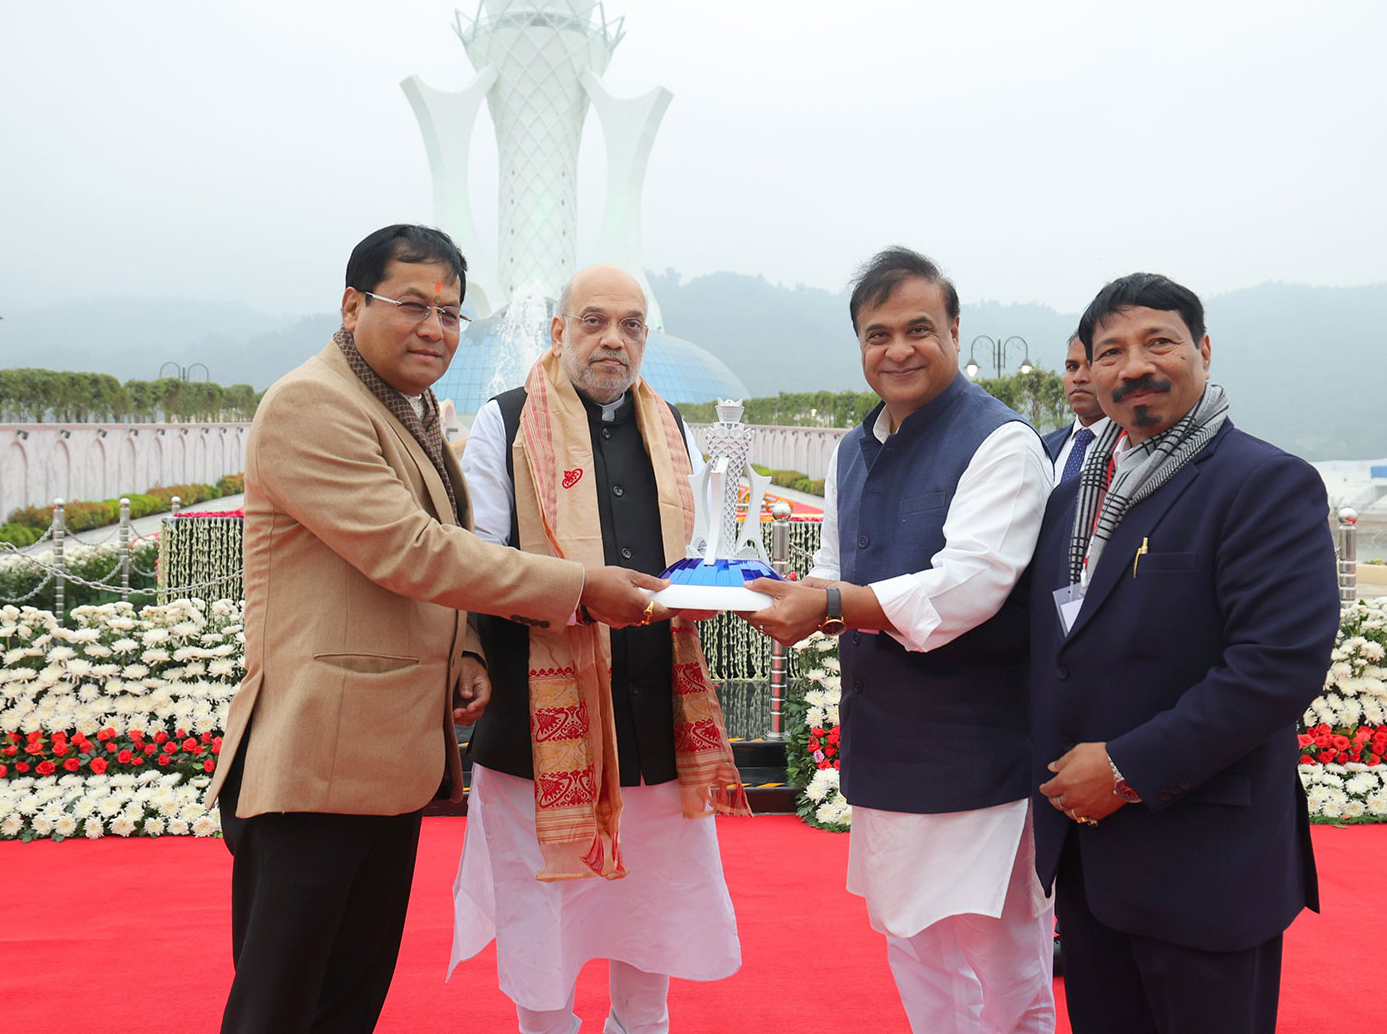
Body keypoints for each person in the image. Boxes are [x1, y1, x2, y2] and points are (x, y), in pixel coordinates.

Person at [206, 225, 673, 1034]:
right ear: (353, 305)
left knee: (347, 998)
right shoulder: (311, 404)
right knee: (281, 1003)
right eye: (413, 306)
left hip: (388, 758)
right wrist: (581, 589)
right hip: (315, 758)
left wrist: (463, 651)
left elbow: (431, 551)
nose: (436, 328)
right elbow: (411, 551)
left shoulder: (406, 408)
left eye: (452, 313)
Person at [748, 246, 1056, 1034]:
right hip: (888, 745)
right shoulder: (853, 449)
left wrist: (829, 603)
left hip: (981, 752)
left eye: (919, 328)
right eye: (877, 333)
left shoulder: (1002, 443)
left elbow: (972, 584)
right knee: (914, 948)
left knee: (1001, 965)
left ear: (955, 330)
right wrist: (781, 597)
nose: (898, 349)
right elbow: (832, 567)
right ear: (859, 345)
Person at [1028, 273, 1337, 1034]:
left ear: (1202, 350)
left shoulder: (1263, 483)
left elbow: (1276, 668)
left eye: (1157, 341)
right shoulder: (1071, 498)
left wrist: (1128, 770)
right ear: (1091, 373)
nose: (1133, 366)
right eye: (1109, 352)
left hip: (1207, 861)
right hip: (1091, 863)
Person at [450, 263, 748, 1034]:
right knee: (543, 923)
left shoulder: (670, 428)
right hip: (538, 740)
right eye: (593, 321)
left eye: (631, 325)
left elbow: (696, 555)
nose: (613, 340)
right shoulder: (506, 422)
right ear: (558, 331)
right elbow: (474, 564)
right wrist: (579, 589)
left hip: (656, 730)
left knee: (650, 926)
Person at [1043, 335, 1113, 484]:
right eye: (1072, 367)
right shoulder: (1043, 448)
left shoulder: (1131, 447)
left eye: (1091, 366)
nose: (1079, 378)